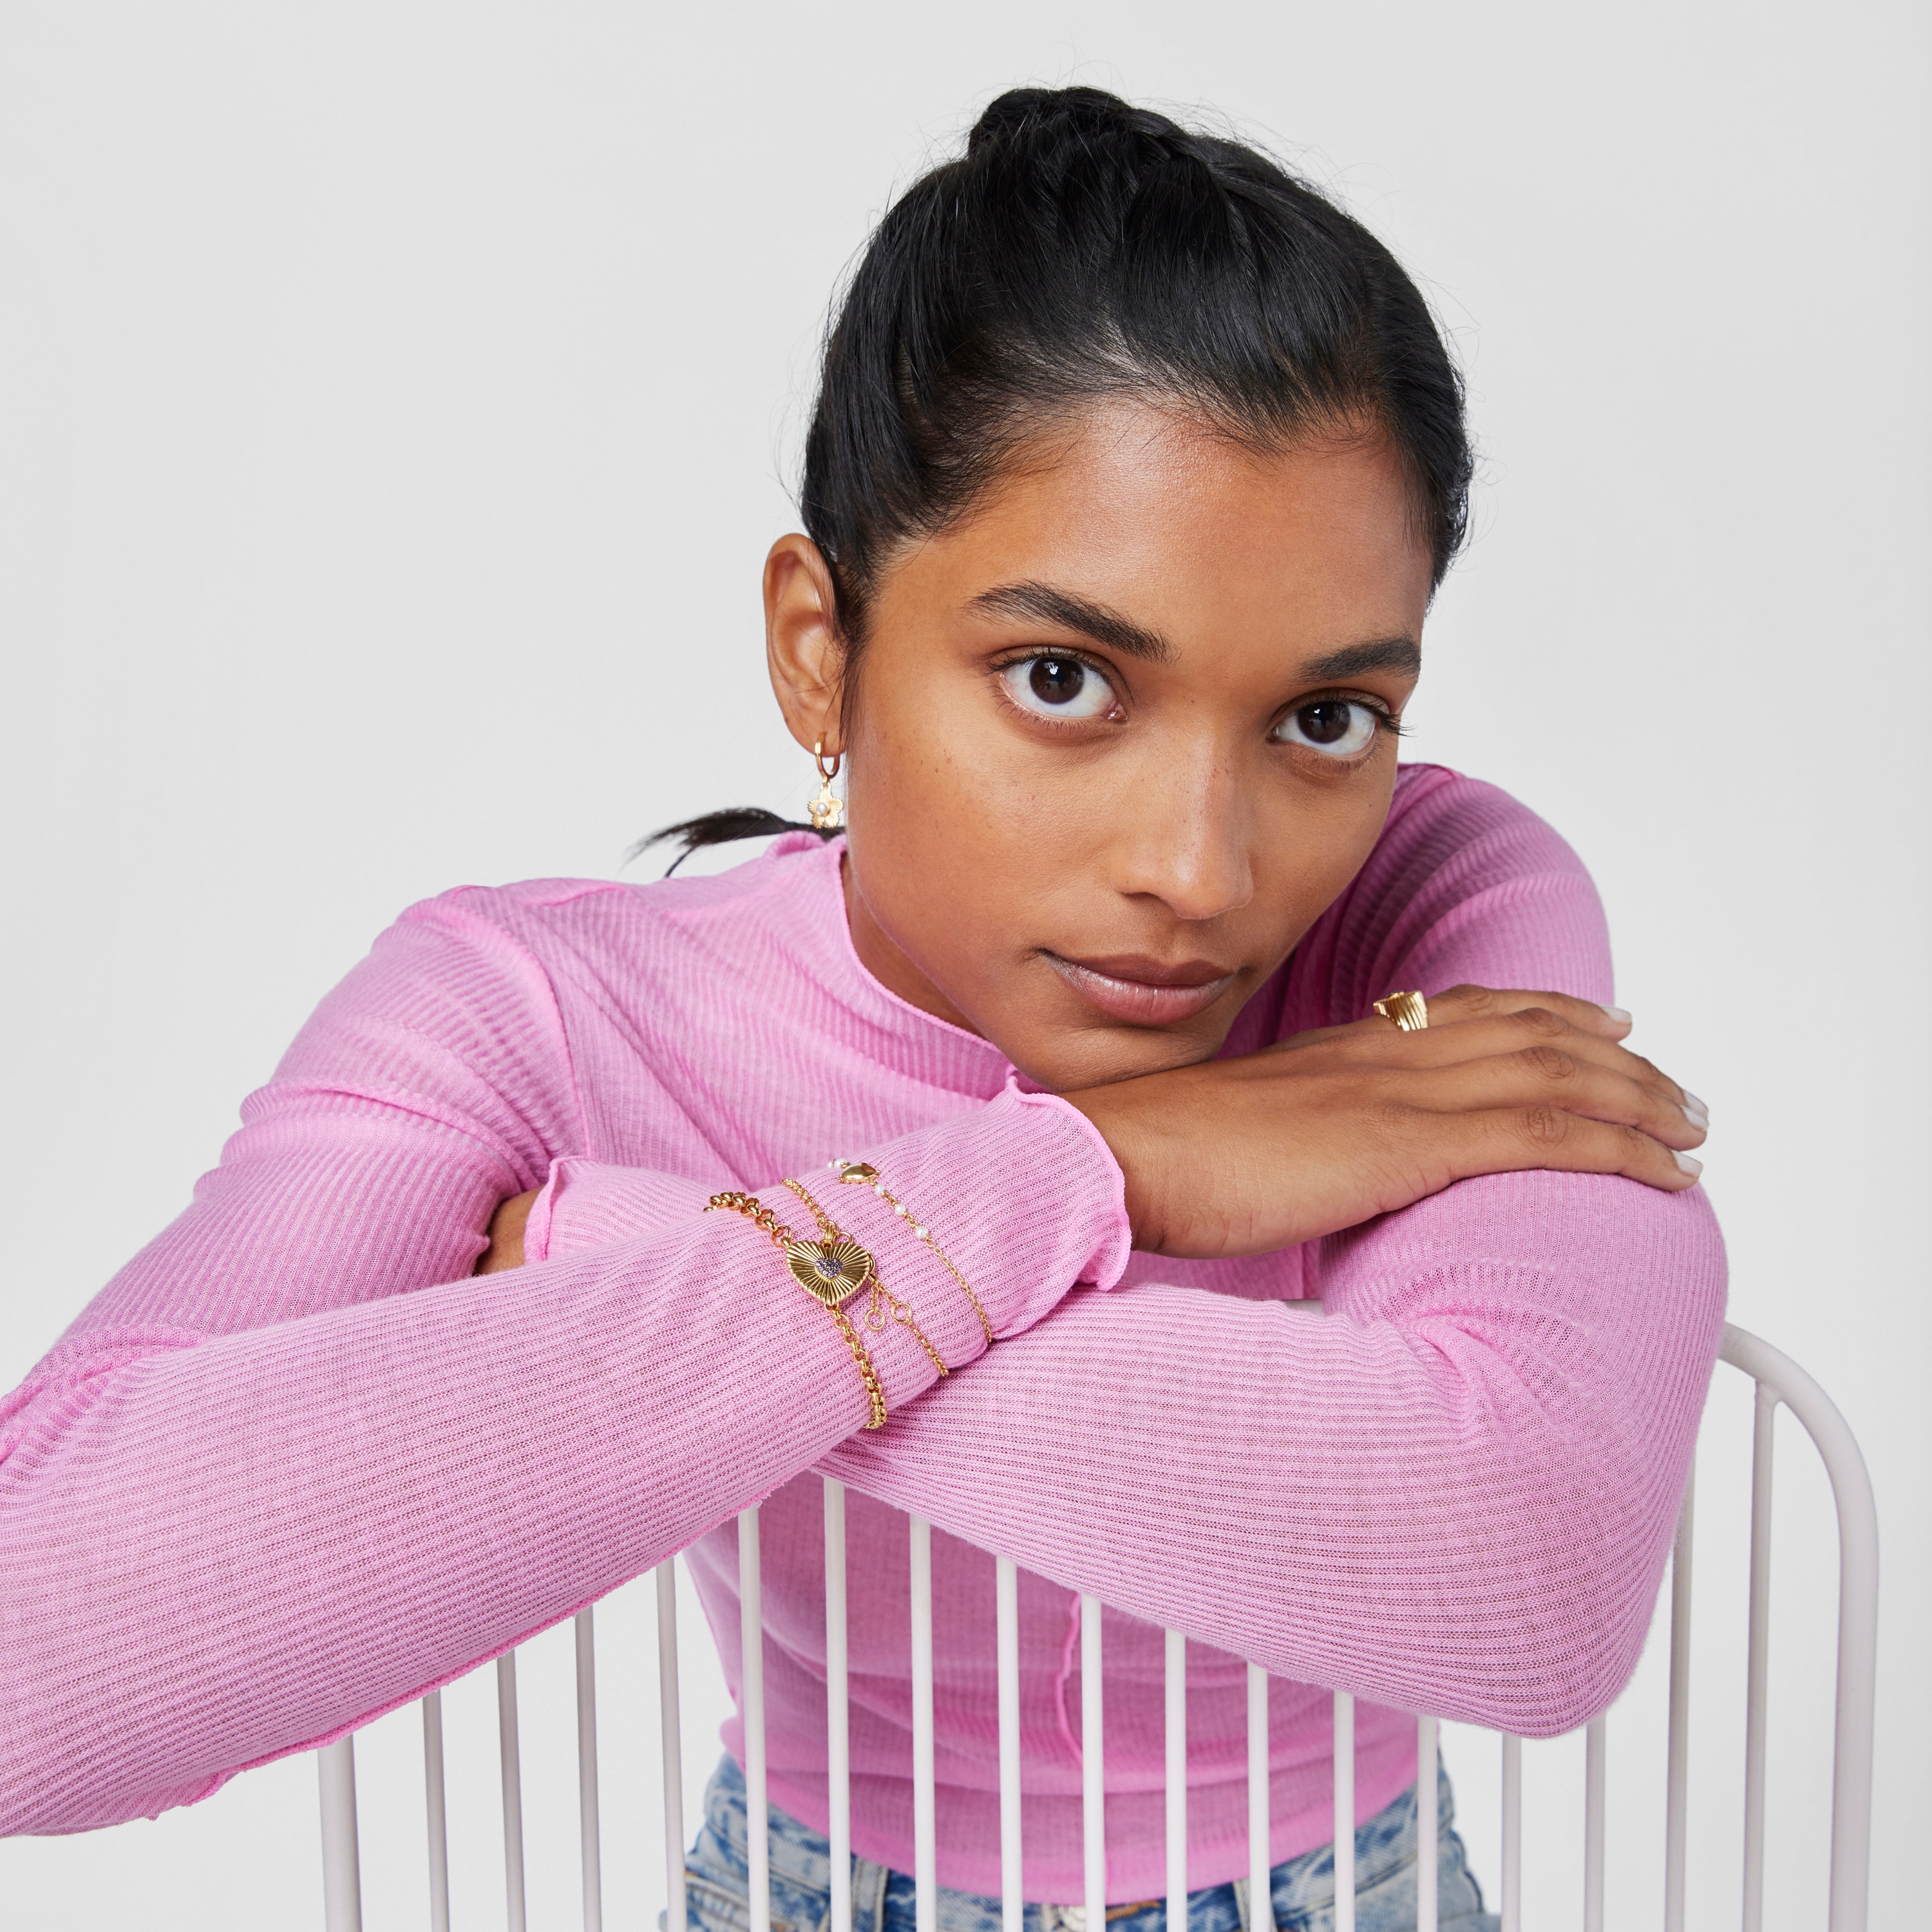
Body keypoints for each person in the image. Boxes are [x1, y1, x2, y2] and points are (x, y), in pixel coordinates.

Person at [0, 85, 1723, 1932]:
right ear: (823, 649)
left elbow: (1530, 1580)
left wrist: (637, 1262)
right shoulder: (536, 1011)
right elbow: (35, 1669)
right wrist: (1078, 1174)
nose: (1204, 872)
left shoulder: (1437, 901)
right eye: (1062, 678)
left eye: (1325, 719)